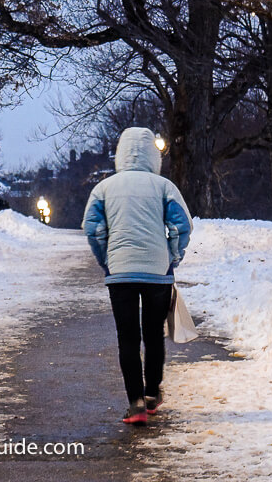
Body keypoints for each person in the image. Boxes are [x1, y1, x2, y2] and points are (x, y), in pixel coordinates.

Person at [82, 127, 193, 425]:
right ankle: (153, 393)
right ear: (153, 156)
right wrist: (173, 254)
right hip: (158, 272)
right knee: (154, 334)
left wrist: (106, 259)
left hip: (120, 274)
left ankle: (136, 404)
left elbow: (92, 229)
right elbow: (182, 226)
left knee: (128, 338)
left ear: (120, 153)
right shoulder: (164, 186)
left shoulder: (104, 189)